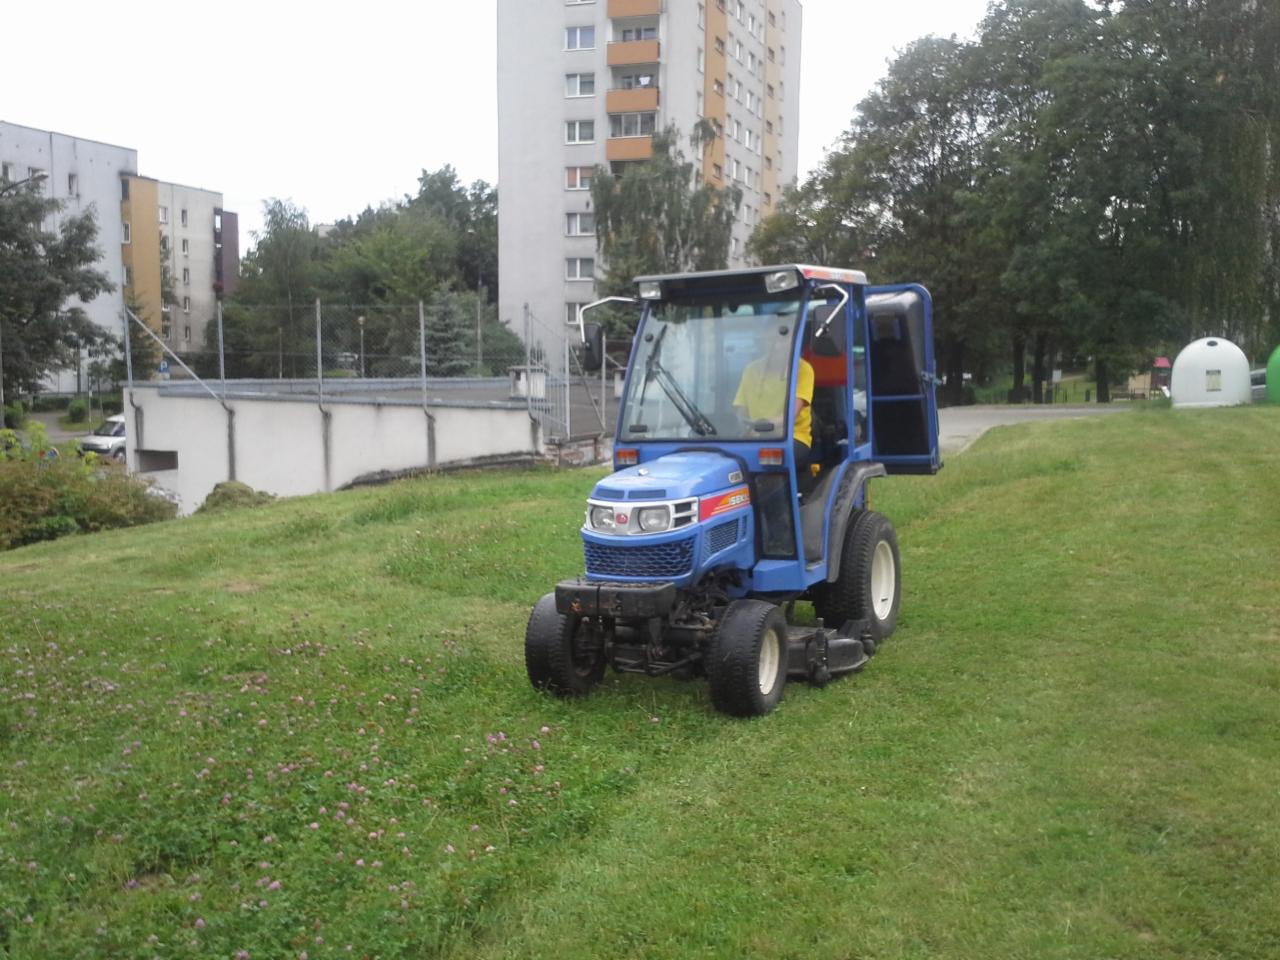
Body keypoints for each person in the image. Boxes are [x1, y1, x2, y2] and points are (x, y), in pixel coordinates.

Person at [733, 327, 814, 469]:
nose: (776, 346)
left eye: (782, 340)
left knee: (770, 461)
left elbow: (791, 414)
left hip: (792, 436)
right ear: (764, 342)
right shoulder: (751, 369)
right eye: (771, 340)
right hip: (755, 435)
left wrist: (764, 427)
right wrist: (748, 426)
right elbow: (740, 409)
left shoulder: (802, 369)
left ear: (792, 341)